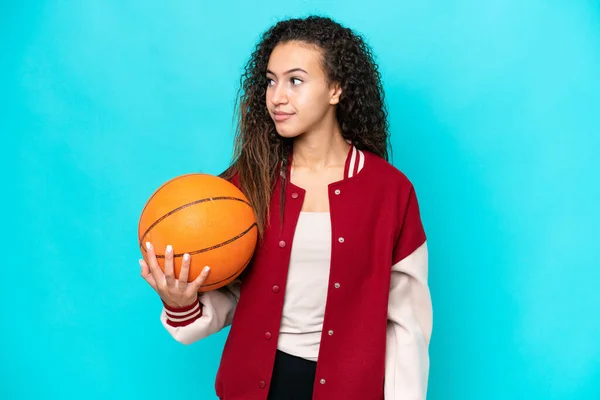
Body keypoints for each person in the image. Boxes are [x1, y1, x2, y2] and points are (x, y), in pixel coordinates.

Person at [140, 15, 432, 400]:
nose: (277, 96)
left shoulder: (390, 191)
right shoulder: (243, 184)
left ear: (336, 89)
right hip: (253, 386)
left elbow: (407, 325)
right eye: (271, 81)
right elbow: (228, 296)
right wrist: (181, 302)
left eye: (295, 81)